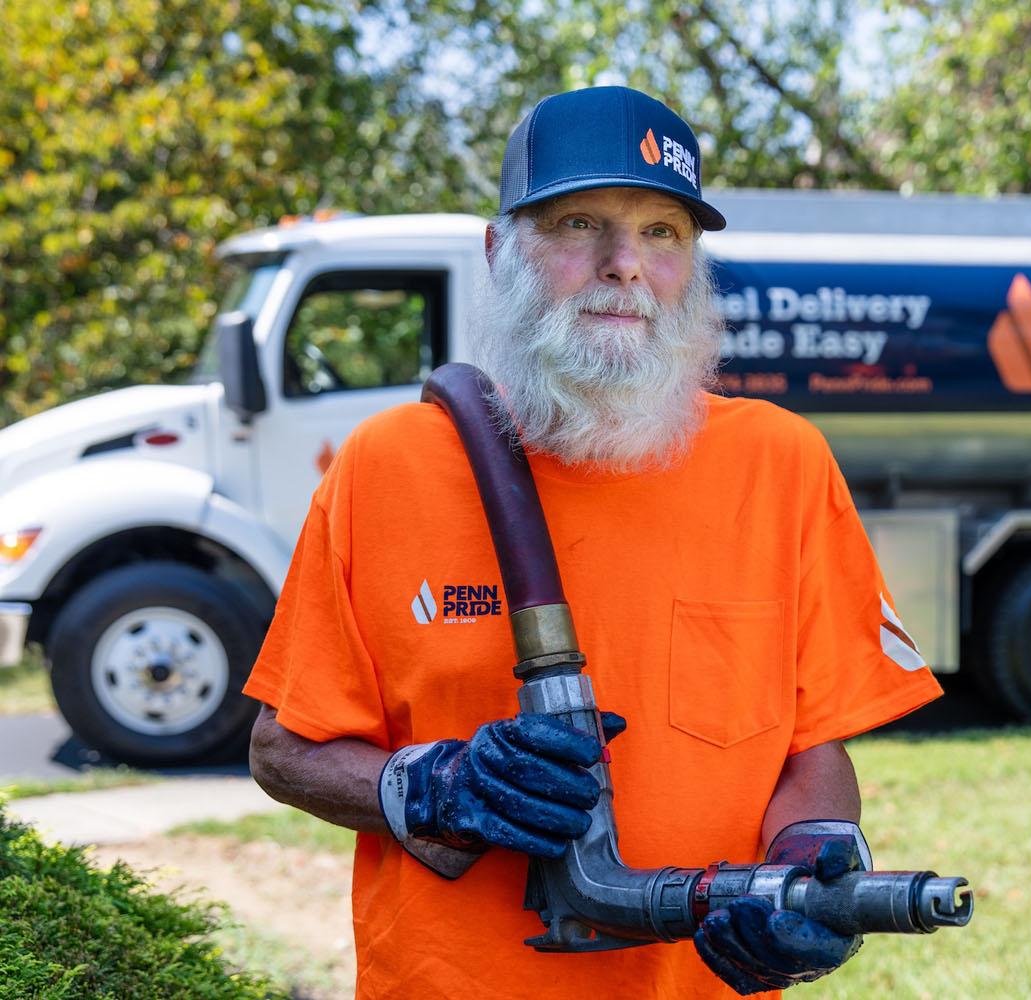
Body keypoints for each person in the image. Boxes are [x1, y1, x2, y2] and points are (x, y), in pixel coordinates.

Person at [245, 85, 943, 999]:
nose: (625, 264)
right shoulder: (390, 465)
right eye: (580, 223)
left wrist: (815, 864)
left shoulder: (780, 463)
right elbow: (283, 749)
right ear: (501, 251)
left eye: (664, 232)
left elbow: (813, 747)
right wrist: (432, 789)